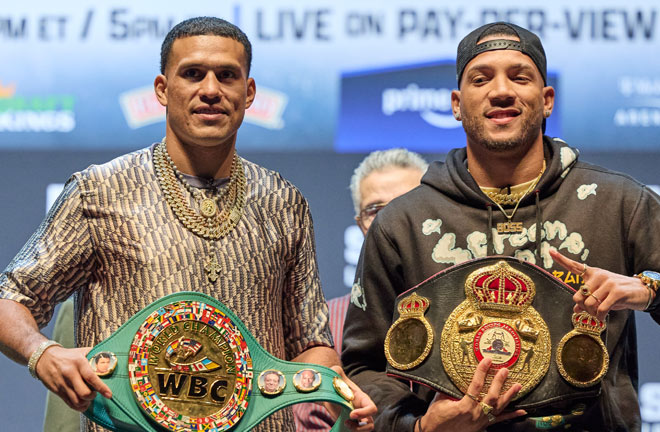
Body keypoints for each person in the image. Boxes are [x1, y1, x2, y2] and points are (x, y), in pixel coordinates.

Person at [0, 16, 375, 432]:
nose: (211, 90)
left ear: (248, 92)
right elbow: (10, 299)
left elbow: (309, 343)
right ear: (163, 89)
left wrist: (338, 392)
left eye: (227, 76)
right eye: (193, 74)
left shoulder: (283, 202)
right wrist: (42, 353)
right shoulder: (99, 192)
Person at [342, 21, 660, 432]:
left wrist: (649, 288)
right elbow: (361, 366)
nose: (502, 90)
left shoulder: (620, 203)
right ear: (457, 103)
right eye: (481, 78)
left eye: (519, 76)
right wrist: (418, 427)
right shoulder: (402, 222)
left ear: (547, 100)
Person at [293, 149, 428, 431]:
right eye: (376, 211)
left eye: (407, 206)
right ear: (360, 224)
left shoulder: (464, 313)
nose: (391, 223)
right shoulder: (322, 328)